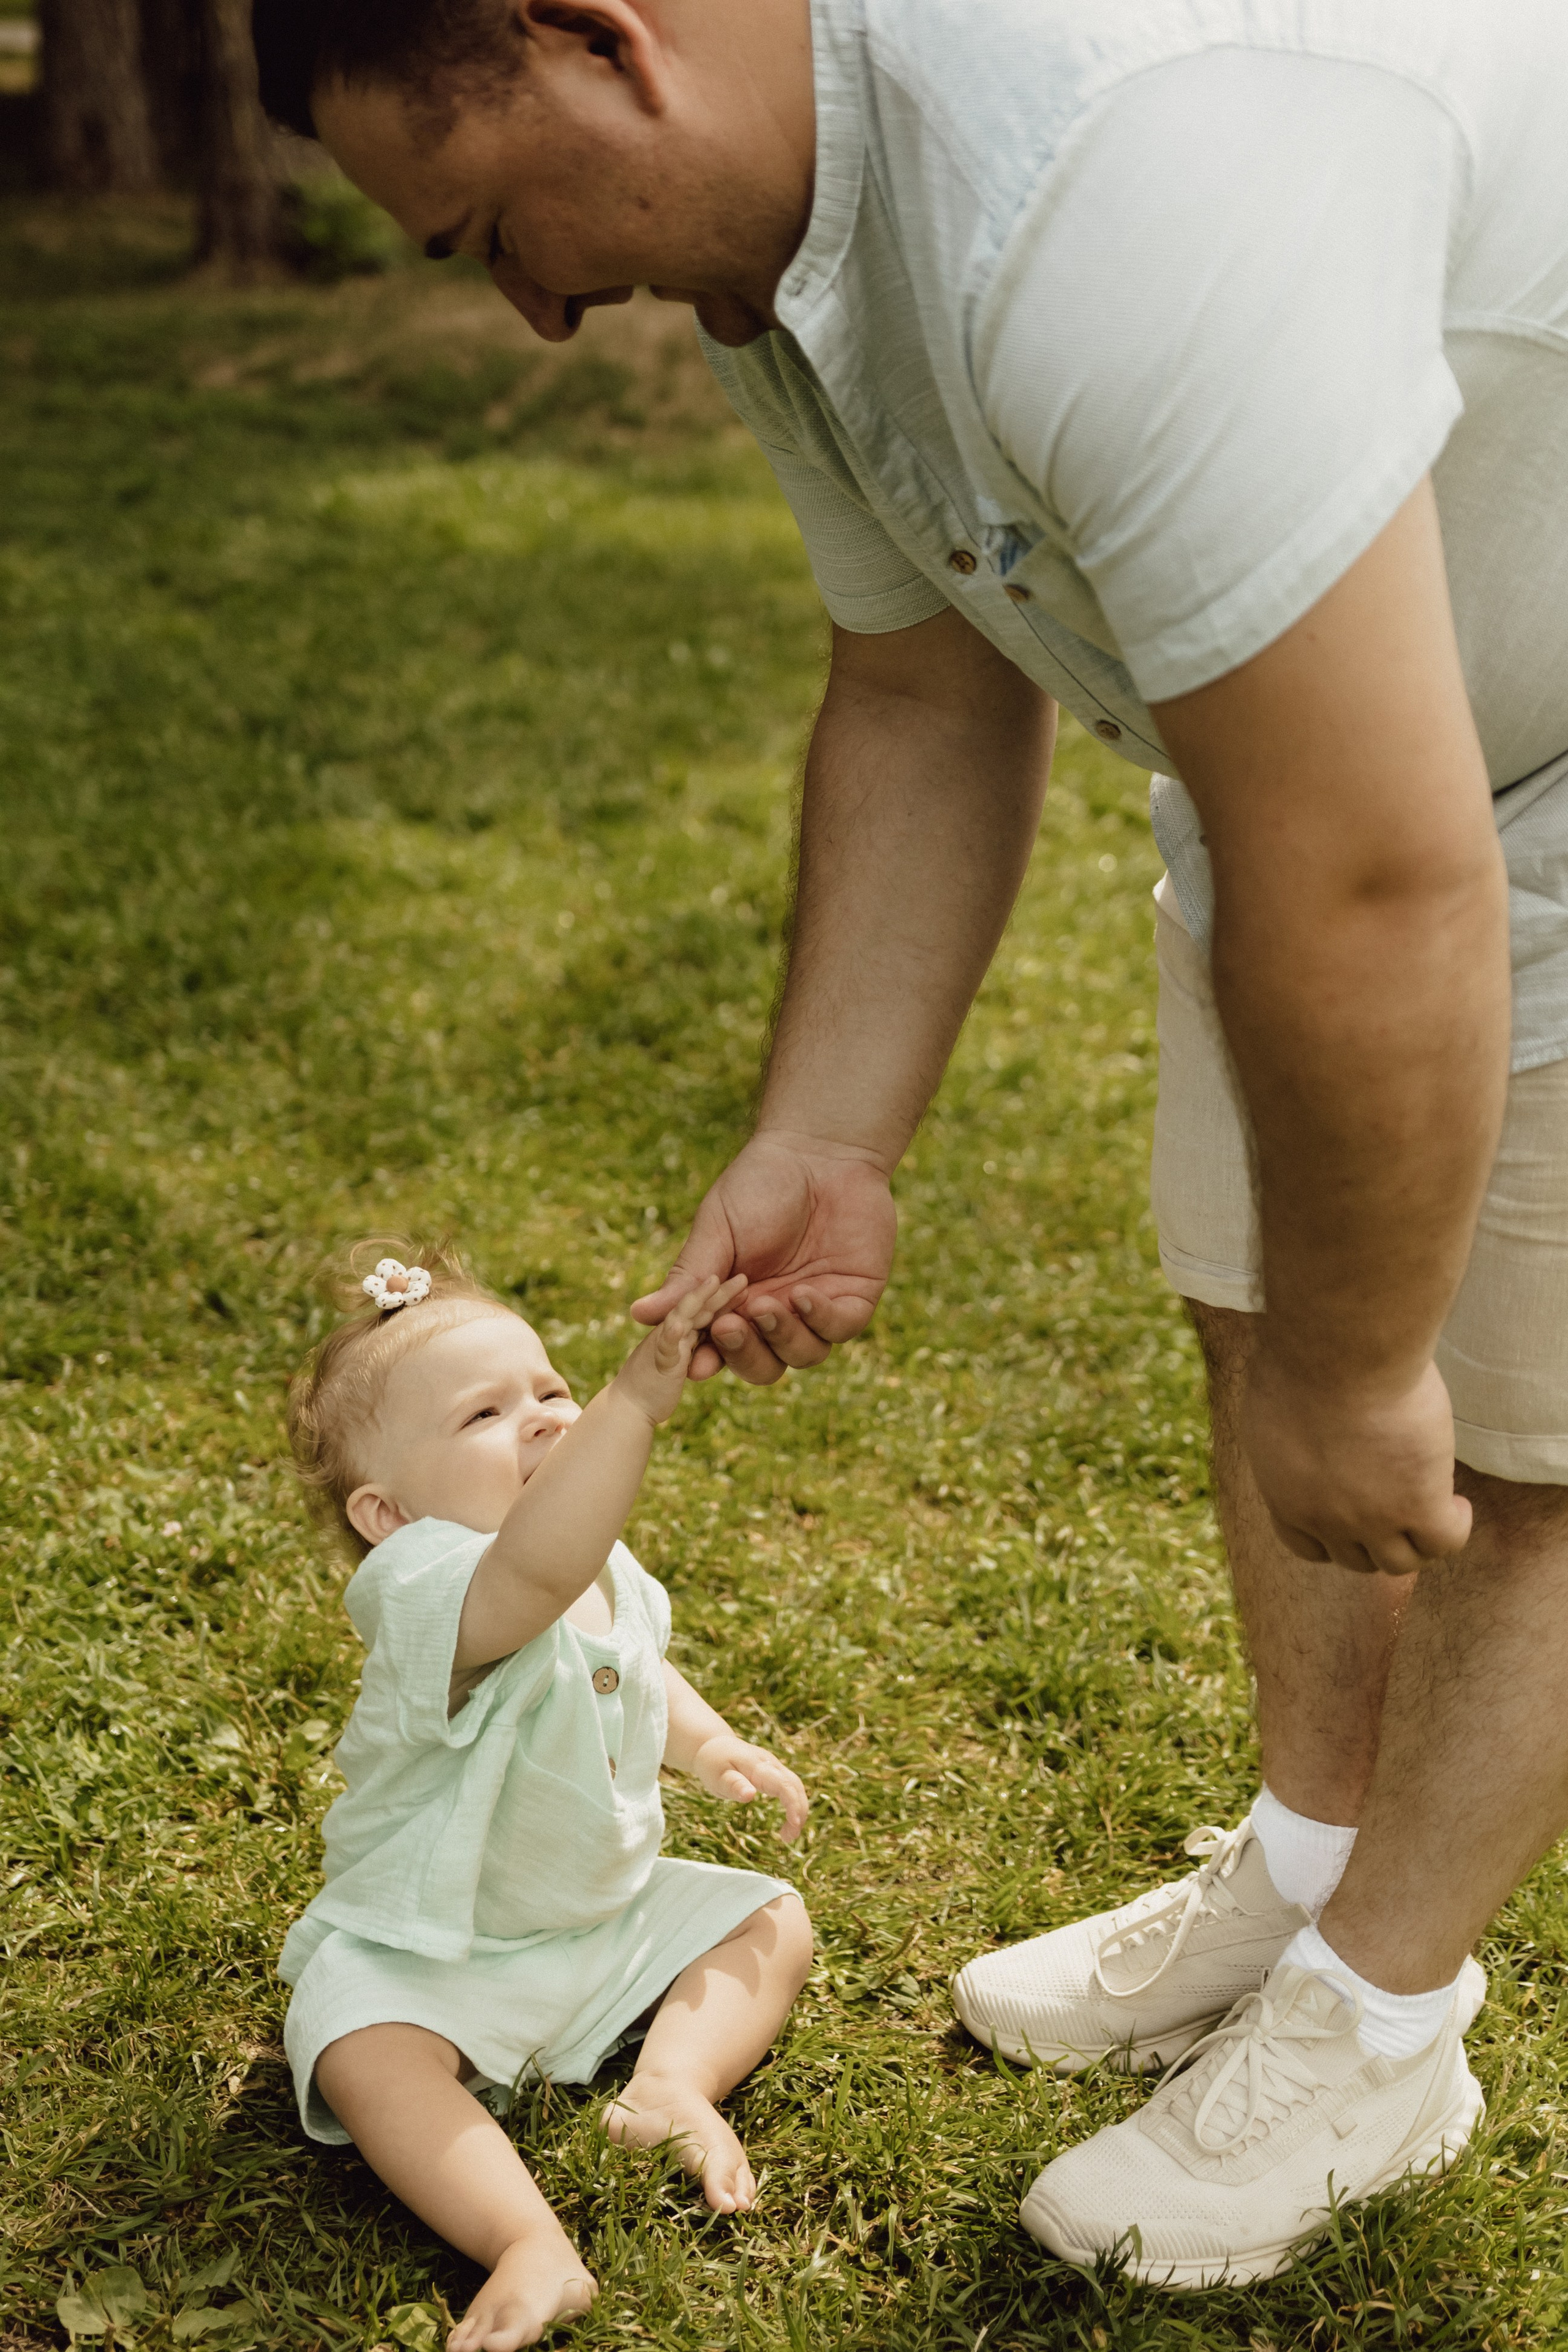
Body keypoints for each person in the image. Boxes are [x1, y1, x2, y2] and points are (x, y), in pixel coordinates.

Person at [251, 0, 1568, 2291]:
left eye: (493, 228)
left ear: (602, 41)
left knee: (1525, 1443)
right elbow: (923, 681)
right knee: (1253, 1296)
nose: (536, 305)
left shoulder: (1115, 181)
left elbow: (1381, 878)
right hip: (1318, 743)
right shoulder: (783, 252)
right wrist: (826, 1134)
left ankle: (1385, 2018)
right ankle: (1305, 1860)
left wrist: (1382, 1372)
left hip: (1511, 769)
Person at [281, 1249, 812, 2349]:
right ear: (388, 1512)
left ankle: (670, 2085)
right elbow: (534, 1576)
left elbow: (638, 1656)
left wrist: (709, 1746)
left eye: (554, 1392)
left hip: (594, 1913)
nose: (543, 1420)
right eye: (483, 1413)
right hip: (434, 1949)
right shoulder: (429, 1586)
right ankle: (526, 2240)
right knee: (359, 2047)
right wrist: (633, 1402)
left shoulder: (601, 1566)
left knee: (769, 1918)